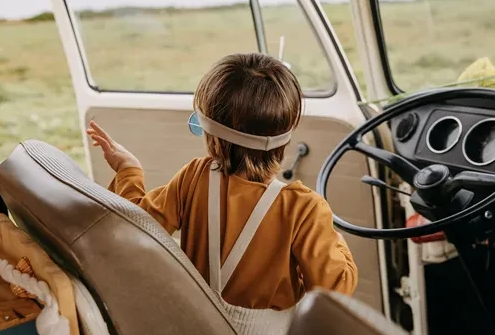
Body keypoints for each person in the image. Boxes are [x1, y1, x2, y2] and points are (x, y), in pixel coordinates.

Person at [87, 53, 357, 311]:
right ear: (287, 130)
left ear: (212, 136)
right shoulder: (305, 209)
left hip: (204, 326)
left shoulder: (195, 177)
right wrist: (335, 240)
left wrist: (129, 170)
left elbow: (135, 228)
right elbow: (335, 289)